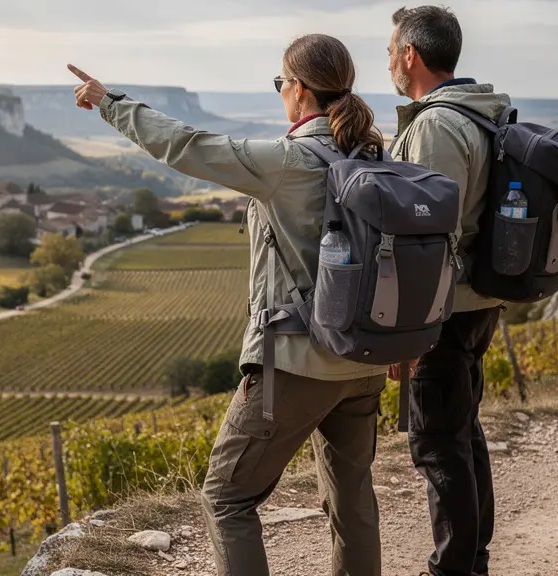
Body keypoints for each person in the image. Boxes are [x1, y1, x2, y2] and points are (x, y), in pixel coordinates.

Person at [70, 33, 388, 576]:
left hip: (298, 361)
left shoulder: (290, 161)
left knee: (226, 497)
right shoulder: (373, 156)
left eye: (280, 83)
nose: (280, 93)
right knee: (352, 497)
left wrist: (110, 103)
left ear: (299, 89)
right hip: (366, 359)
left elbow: (189, 146)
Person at [386, 5, 512, 576]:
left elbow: (429, 234)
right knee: (462, 428)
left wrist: (408, 331)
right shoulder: (482, 112)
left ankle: (455, 566)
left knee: (437, 440)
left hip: (446, 306)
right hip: (476, 300)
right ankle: (472, 556)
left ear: (410, 54)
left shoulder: (437, 125)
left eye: (391, 50)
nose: (388, 60)